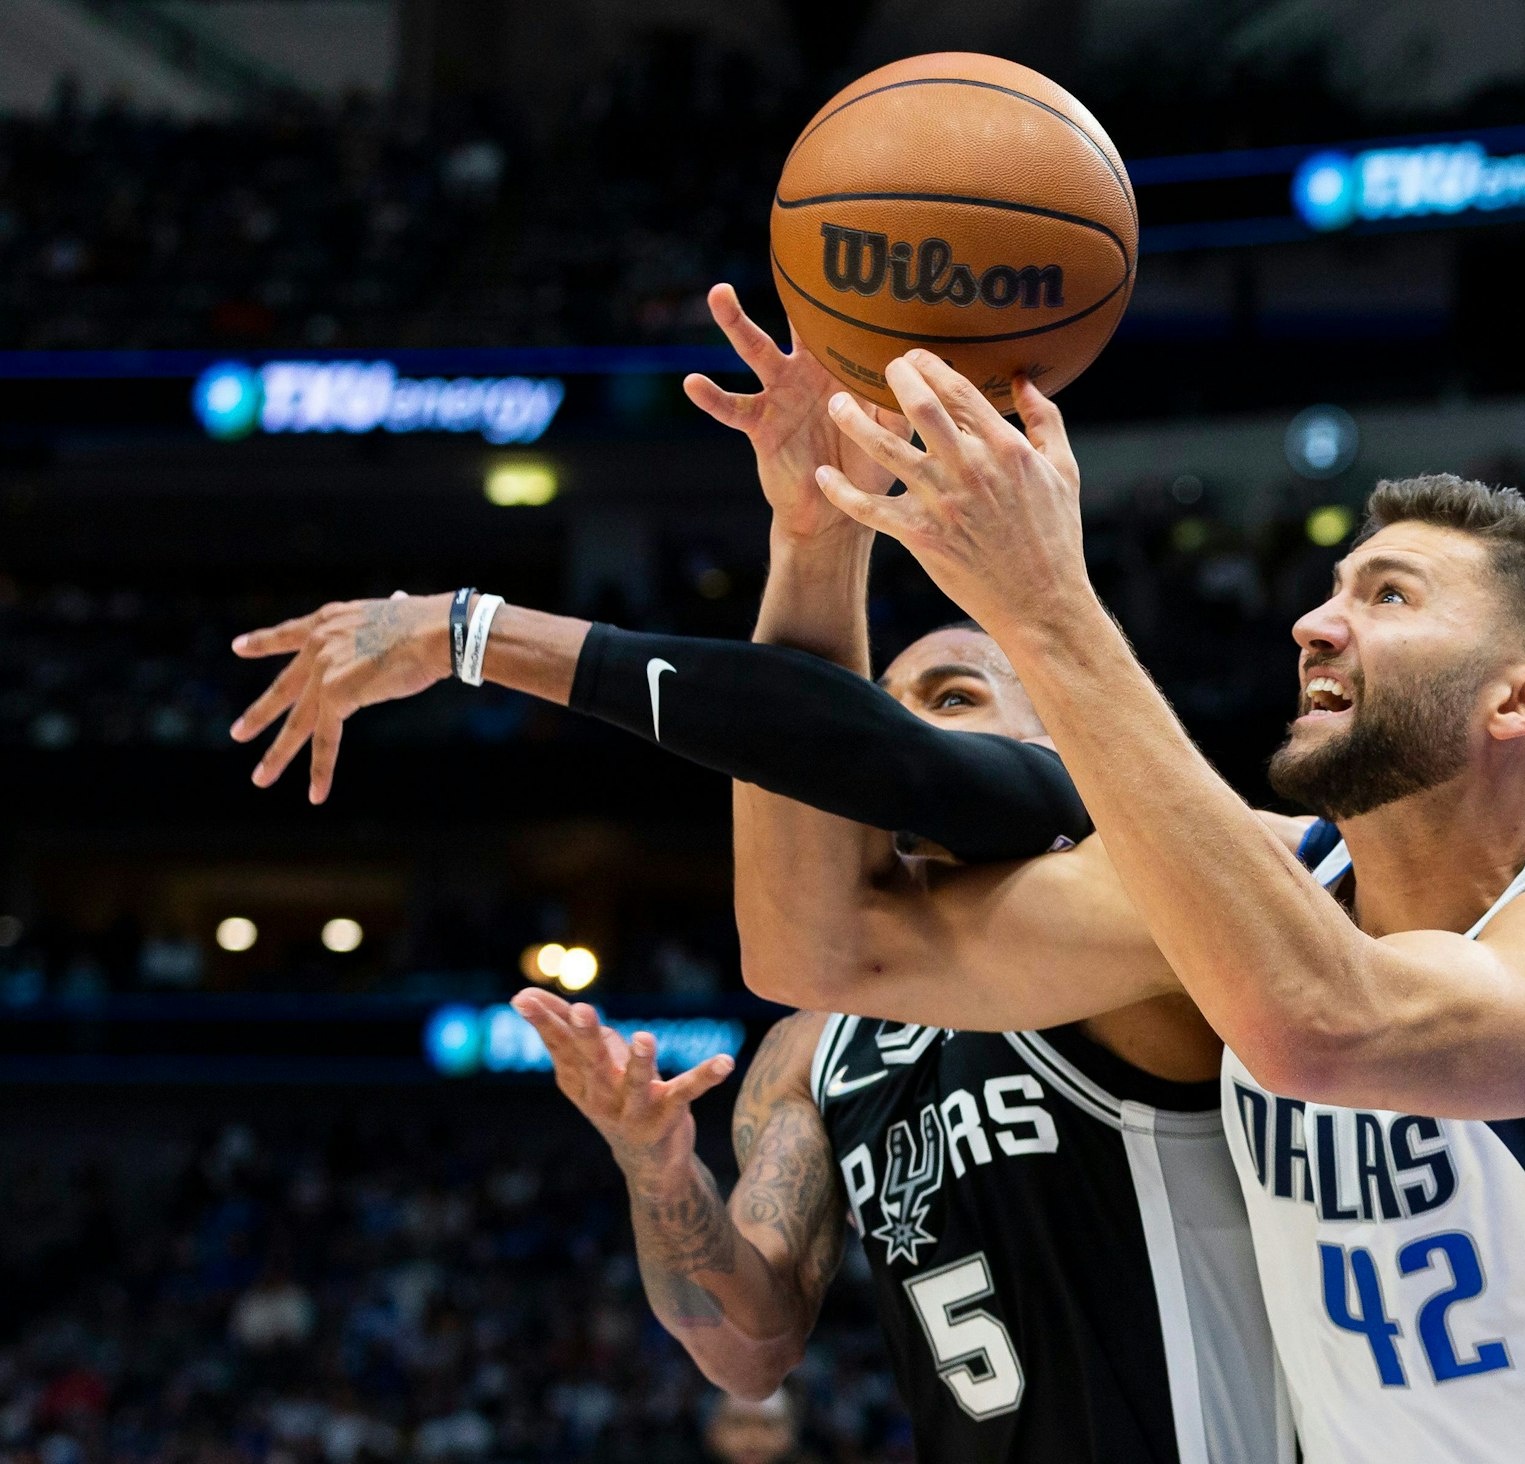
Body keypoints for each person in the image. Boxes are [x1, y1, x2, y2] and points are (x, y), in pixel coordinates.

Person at [228, 287, 1289, 1463]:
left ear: (1062, 731)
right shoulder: (817, 1044)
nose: (906, 736)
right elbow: (748, 1340)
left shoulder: (1150, 899)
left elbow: (830, 746)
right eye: (897, 706)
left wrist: (465, 631)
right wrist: (658, 1176)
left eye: (952, 697)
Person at [719, 347, 1525, 1460]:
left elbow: (1322, 1023)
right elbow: (817, 945)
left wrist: (1049, 605)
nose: (1313, 622)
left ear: (1519, 697)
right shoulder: (1269, 888)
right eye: (1331, 587)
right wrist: (815, 540)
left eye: (1388, 595)